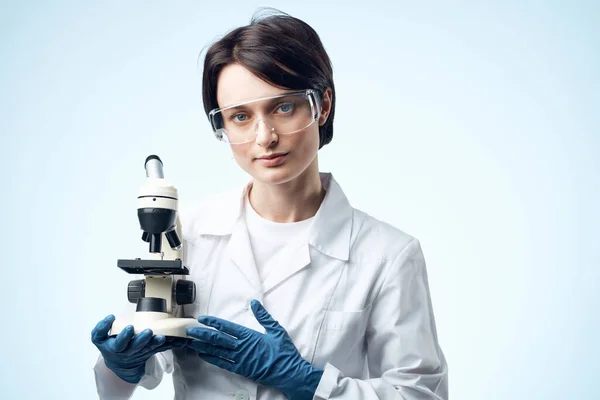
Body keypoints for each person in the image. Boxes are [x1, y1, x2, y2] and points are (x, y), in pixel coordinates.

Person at [91, 9, 448, 400]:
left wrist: (309, 383)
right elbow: (136, 372)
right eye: (240, 116)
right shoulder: (186, 233)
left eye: (282, 107)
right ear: (222, 125)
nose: (265, 137)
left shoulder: (388, 255)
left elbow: (420, 394)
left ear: (322, 105)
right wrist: (119, 363)